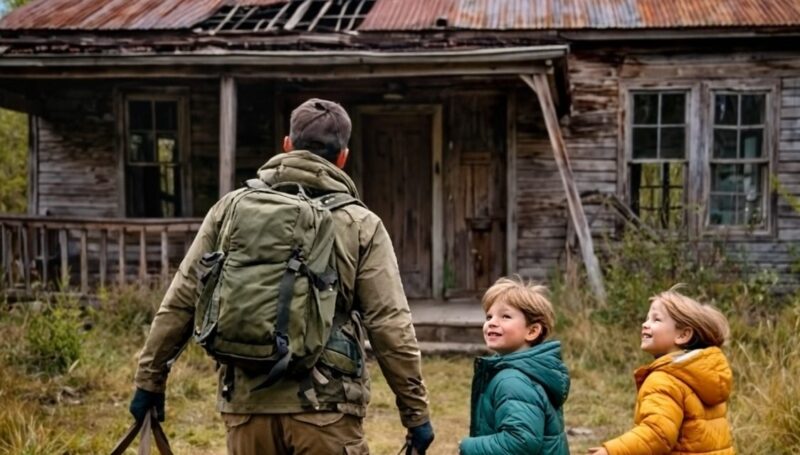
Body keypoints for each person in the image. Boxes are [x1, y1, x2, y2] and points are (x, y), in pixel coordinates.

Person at [128, 98, 434, 455]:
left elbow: (182, 299)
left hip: (246, 407)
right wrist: (415, 413)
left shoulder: (229, 208)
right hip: (325, 410)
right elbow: (389, 324)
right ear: (343, 157)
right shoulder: (361, 224)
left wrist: (149, 381)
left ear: (287, 145)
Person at [588, 286, 734, 455]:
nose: (645, 324)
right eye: (647, 318)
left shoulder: (665, 380)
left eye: (656, 319)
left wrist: (611, 451)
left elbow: (657, 434)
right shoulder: (704, 376)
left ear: (683, 335)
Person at [459, 276, 570, 455]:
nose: (492, 322)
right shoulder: (528, 371)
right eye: (489, 316)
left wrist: (468, 446)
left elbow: (520, 442)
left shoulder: (513, 380)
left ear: (532, 331)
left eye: (505, 316)